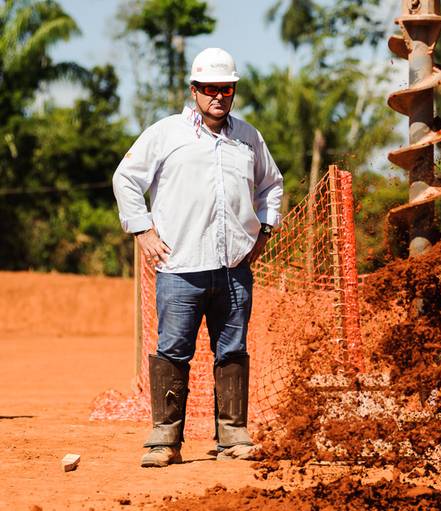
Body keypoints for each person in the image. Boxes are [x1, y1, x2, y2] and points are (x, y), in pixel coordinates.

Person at [112, 47, 283, 468]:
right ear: (194, 90)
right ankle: (164, 440)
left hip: (234, 270)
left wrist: (265, 230)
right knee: (172, 349)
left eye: (226, 88)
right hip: (180, 268)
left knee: (232, 350)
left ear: (234, 90)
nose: (218, 96)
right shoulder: (166, 134)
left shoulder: (249, 138)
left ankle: (233, 435)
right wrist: (142, 229)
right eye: (209, 88)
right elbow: (126, 179)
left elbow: (272, 186)